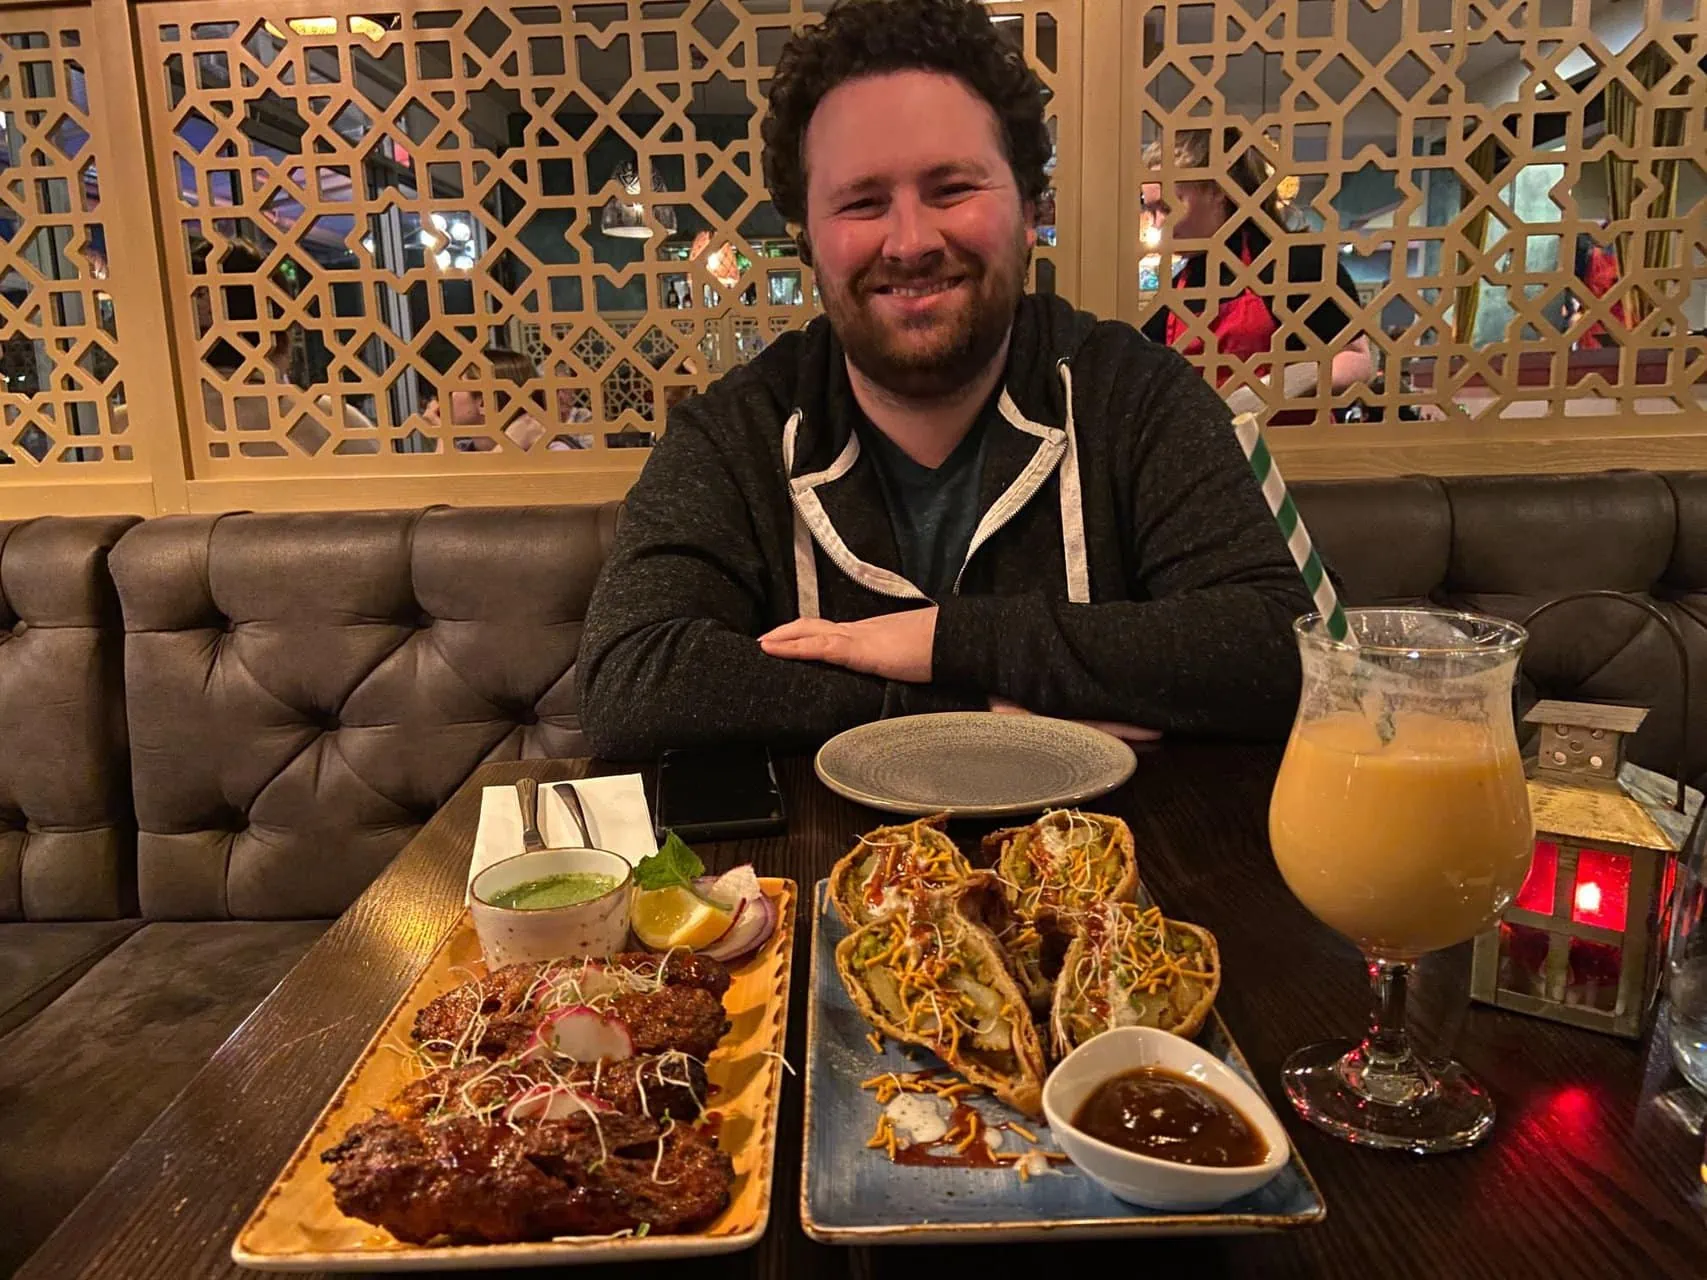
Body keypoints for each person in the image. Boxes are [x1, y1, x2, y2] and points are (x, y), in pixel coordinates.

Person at [576, 0, 1315, 760]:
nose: (910, 241)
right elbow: (630, 684)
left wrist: (938, 637)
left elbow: (1279, 647)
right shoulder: (736, 431)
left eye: (952, 188)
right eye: (862, 202)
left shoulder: (1132, 396)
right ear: (808, 239)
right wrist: (963, 706)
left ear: (1029, 210)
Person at [1139, 130, 1374, 421]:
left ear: (1218, 190)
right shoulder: (1175, 290)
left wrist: (1267, 391)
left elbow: (1358, 361)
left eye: (1168, 207)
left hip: (1290, 455)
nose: (1159, 224)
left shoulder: (1297, 264)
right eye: (1151, 211)